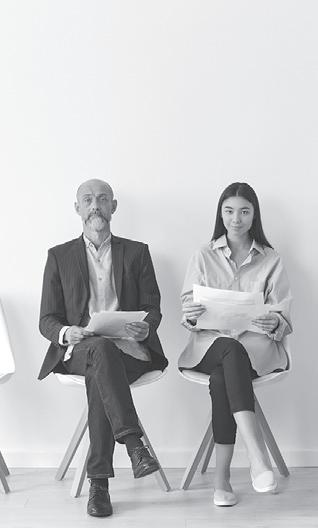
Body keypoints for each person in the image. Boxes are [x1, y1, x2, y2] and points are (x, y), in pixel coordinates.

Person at [38, 179, 168, 518]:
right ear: (77, 208)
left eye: (102, 199)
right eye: (87, 200)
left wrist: (147, 326)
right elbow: (46, 319)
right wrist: (67, 332)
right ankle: (134, 445)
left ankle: (99, 483)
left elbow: (153, 307)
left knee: (102, 371)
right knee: (98, 350)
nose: (95, 205)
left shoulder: (137, 252)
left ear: (113, 206)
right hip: (80, 350)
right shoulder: (59, 256)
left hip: (129, 350)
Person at [180, 182, 292, 507]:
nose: (236, 219)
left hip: (255, 351)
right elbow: (187, 309)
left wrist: (275, 322)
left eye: (244, 211)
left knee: (223, 377)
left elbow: (283, 314)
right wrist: (190, 314)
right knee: (229, 348)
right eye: (229, 211)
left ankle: (222, 479)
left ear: (254, 215)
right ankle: (257, 455)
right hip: (208, 346)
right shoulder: (203, 256)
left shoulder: (271, 259)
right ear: (221, 214)